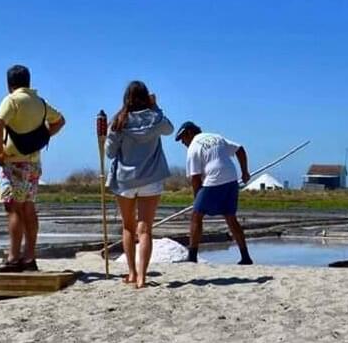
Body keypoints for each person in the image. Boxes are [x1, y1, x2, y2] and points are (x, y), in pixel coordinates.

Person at [0, 65, 65, 272]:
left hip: (13, 162)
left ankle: (14, 258)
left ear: (9, 83)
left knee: (13, 208)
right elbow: (60, 121)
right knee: (28, 207)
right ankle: (30, 257)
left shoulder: (12, 100)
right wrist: (42, 137)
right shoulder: (40, 102)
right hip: (33, 163)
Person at [105, 81, 173, 288]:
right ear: (147, 97)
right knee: (145, 229)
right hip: (151, 178)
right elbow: (170, 129)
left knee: (128, 226)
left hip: (125, 179)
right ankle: (143, 276)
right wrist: (156, 107)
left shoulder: (119, 120)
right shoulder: (155, 118)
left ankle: (132, 273)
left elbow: (109, 152)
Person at [175, 122, 253, 264]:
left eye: (182, 139)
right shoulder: (216, 137)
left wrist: (197, 201)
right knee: (230, 217)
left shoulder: (193, 147)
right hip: (231, 178)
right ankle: (245, 257)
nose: (183, 143)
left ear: (189, 133)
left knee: (196, 216)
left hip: (214, 178)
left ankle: (192, 257)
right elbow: (240, 149)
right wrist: (244, 171)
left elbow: (195, 178)